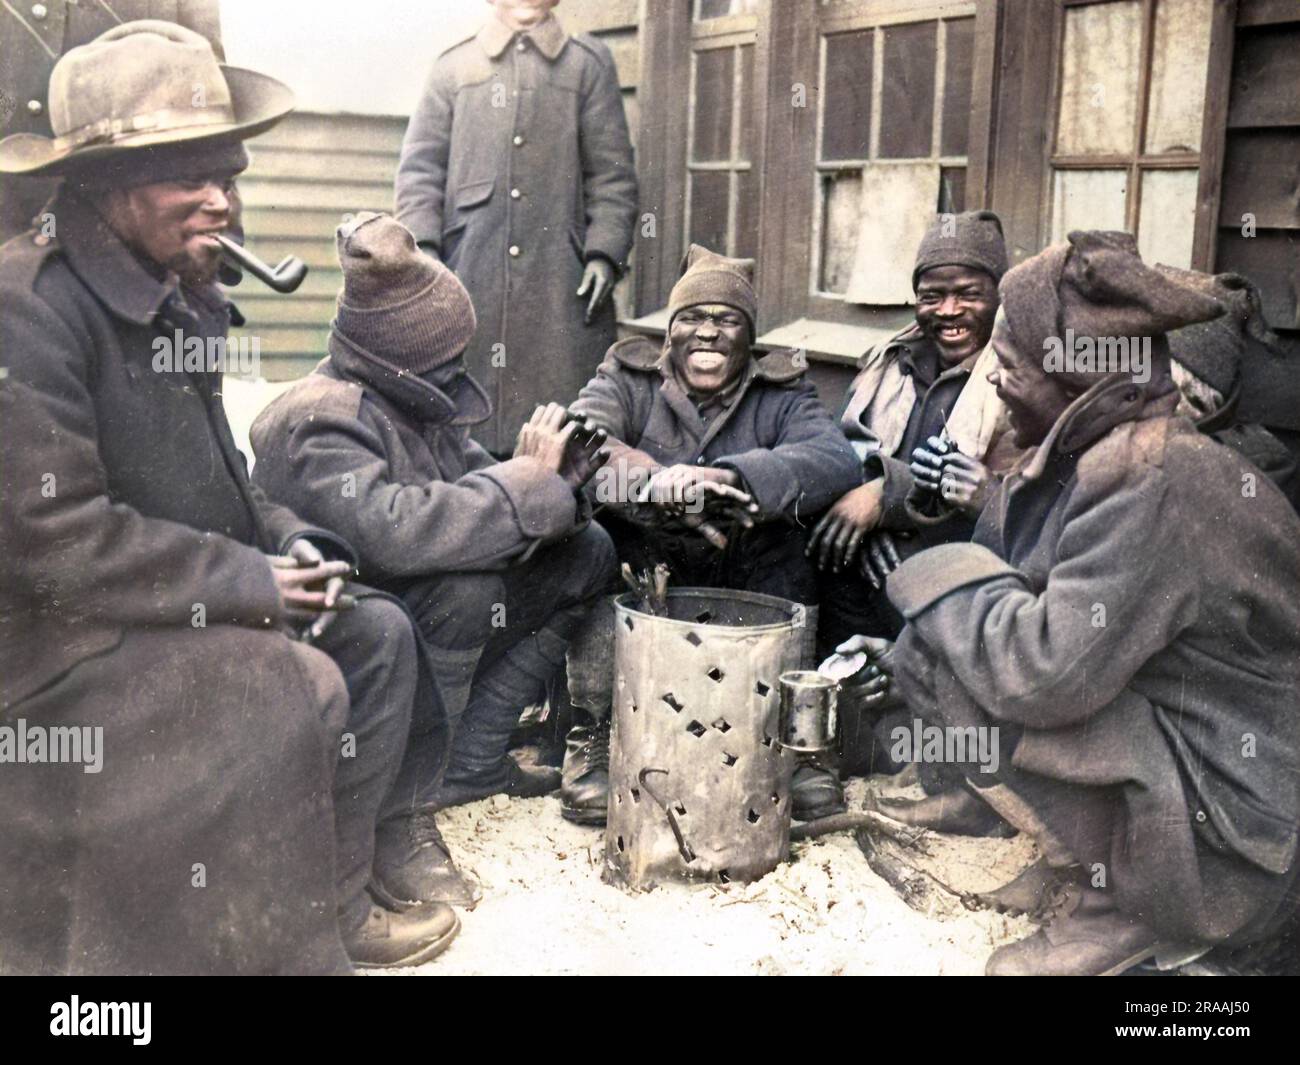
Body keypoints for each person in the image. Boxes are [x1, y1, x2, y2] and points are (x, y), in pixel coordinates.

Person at [0, 22, 458, 973]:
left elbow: (220, 481)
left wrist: (283, 542)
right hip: (58, 647)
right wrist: (247, 583)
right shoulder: (31, 308)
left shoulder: (175, 287)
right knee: (293, 683)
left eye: (230, 174)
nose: (223, 202)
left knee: (373, 636)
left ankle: (332, 909)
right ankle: (272, 949)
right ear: (105, 184)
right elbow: (57, 542)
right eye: (191, 179)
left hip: (161, 595)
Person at [852, 230, 1300, 976]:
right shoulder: (1104, 452)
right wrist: (910, 650)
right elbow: (1026, 581)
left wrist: (933, 577)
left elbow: (1045, 675)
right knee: (950, 647)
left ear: (1077, 379)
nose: (993, 384)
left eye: (1011, 366)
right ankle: (1085, 867)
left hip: (1240, 814)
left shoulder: (1153, 477)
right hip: (1201, 750)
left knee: (998, 672)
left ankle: (1133, 907)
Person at [250, 212, 619, 856]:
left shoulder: (409, 395)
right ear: (399, 358)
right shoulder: (319, 418)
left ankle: (471, 761)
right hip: (345, 637)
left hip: (412, 619)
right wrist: (527, 482)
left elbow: (477, 493)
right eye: (447, 360)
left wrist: (562, 485)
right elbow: (399, 533)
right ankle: (407, 801)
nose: (460, 371)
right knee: (466, 589)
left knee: (587, 554)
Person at [562, 244, 862, 824]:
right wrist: (656, 483)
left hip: (741, 561)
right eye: (693, 320)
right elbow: (582, 439)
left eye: (727, 321)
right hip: (647, 560)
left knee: (794, 542)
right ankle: (594, 735)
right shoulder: (627, 376)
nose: (709, 334)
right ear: (670, 332)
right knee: (592, 543)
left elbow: (833, 459)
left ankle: (800, 750)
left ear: (748, 337)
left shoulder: (781, 388)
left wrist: (732, 476)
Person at [809, 210, 1019, 787]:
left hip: (963, 565)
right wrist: (879, 513)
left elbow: (1023, 501)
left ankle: (922, 753)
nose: (948, 312)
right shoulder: (893, 364)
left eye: (968, 295)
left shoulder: (1016, 376)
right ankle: (840, 728)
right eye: (932, 296)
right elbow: (841, 452)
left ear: (999, 295)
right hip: (878, 555)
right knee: (815, 552)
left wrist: (891, 499)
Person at [395, 0, 638, 455]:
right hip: (468, 275)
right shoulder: (454, 66)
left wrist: (604, 253)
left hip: (559, 282)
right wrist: (424, 255)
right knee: (463, 425)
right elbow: (419, 171)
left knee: (566, 424)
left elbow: (613, 176)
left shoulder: (587, 65)